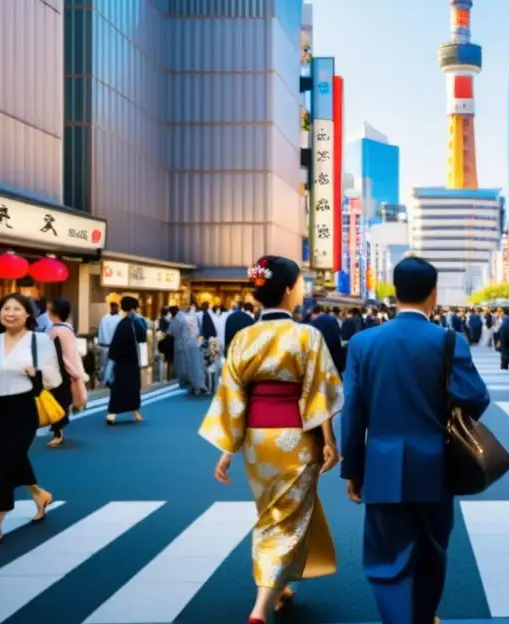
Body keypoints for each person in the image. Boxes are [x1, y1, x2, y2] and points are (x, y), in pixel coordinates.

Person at [341, 257, 489, 624]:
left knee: (386, 555)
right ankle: (423, 615)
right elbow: (475, 397)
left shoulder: (363, 343)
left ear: (394, 292)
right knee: (432, 548)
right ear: (433, 293)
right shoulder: (448, 341)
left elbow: (353, 413)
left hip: (382, 462)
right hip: (436, 463)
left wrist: (353, 470)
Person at [201, 256, 343, 624]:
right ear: (287, 290)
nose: (301, 290)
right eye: (299, 284)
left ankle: (278, 586)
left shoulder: (243, 337)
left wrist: (226, 450)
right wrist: (329, 441)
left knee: (272, 512)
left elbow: (232, 397)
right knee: (283, 519)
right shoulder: (306, 336)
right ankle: (261, 606)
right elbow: (319, 394)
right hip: (297, 436)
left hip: (257, 440)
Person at [0, 293, 61, 550]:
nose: (10, 313)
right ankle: (39, 495)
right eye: (5, 308)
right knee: (12, 458)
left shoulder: (39, 340)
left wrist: (35, 371)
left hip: (23, 408)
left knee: (6, 465)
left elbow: (54, 379)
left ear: (28, 314)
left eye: (16, 309)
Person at [46, 299, 89, 446]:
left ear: (54, 313)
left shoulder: (57, 331)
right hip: (66, 370)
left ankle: (58, 433)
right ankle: (58, 432)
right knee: (61, 402)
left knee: (58, 402)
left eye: (49, 309)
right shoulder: (66, 329)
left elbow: (58, 354)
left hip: (60, 371)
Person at [105, 296, 145, 425]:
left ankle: (112, 413)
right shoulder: (137, 323)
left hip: (120, 361)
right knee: (133, 388)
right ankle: (135, 411)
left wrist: (112, 359)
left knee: (118, 388)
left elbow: (115, 345)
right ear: (133, 308)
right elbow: (142, 338)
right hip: (132, 361)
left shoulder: (122, 324)